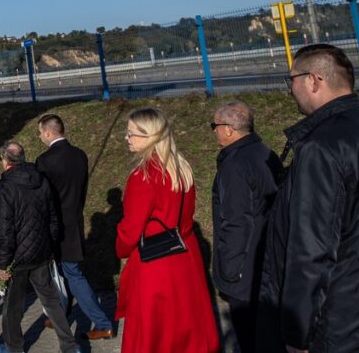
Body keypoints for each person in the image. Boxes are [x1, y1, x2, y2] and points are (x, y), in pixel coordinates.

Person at [259, 44, 359, 352]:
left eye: (292, 79)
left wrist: (296, 332)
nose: (290, 89)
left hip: (345, 324)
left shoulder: (320, 148)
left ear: (313, 80)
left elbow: (311, 250)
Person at [116, 107, 218, 353]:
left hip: (156, 264)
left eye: (132, 134)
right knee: (187, 329)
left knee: (155, 335)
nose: (126, 138)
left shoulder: (143, 176)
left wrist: (120, 247)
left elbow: (130, 231)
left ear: (150, 136)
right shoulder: (181, 168)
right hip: (185, 256)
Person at [0, 142, 79, 353]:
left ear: (5, 160)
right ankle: (70, 346)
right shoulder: (42, 181)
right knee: (51, 301)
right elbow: (53, 218)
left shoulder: (4, 189)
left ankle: (14, 347)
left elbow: (4, 232)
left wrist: (3, 264)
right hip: (40, 252)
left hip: (17, 258)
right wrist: (49, 245)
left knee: (13, 307)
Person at [209, 101, 281, 353]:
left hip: (245, 270)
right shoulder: (263, 151)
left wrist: (230, 270)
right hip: (268, 260)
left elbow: (237, 221)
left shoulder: (234, 166)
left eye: (214, 126)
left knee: (251, 338)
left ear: (228, 129)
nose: (213, 131)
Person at [35, 114, 114, 340]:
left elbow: (43, 199)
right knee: (63, 272)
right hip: (74, 221)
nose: (40, 136)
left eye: (40, 132)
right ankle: (60, 314)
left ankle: (102, 322)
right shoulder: (80, 155)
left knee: (71, 274)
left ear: (48, 132)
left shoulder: (45, 161)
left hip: (56, 228)